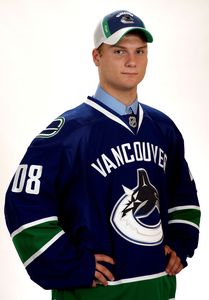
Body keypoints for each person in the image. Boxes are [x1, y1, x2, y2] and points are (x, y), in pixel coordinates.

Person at [5, 9, 200, 300]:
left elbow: (183, 195)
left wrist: (181, 245)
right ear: (97, 57)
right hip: (93, 295)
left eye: (140, 51)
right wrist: (70, 265)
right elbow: (23, 204)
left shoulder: (163, 128)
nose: (132, 61)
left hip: (156, 290)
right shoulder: (69, 133)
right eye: (119, 51)